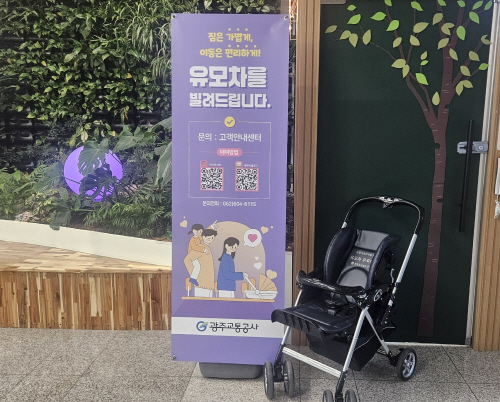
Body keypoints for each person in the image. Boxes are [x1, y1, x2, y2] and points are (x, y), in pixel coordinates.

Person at [184, 228, 218, 297]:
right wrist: (193, 275)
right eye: (209, 238)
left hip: (208, 283)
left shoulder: (207, 248)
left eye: (212, 238)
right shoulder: (200, 248)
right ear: (203, 237)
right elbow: (187, 260)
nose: (211, 239)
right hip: (201, 283)